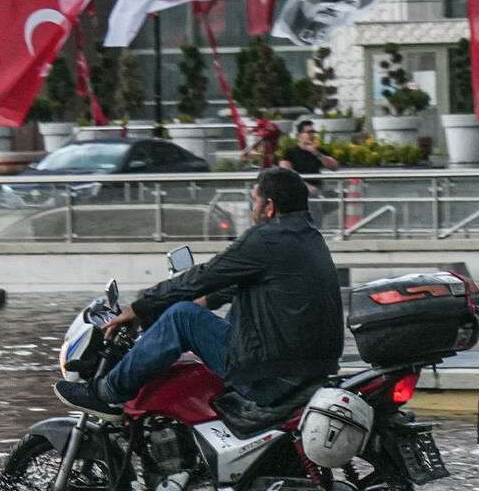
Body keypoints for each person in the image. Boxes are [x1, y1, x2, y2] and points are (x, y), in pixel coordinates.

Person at [54, 167, 344, 419]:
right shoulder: (308, 237)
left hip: (272, 378)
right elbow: (242, 281)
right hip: (309, 370)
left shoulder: (266, 237)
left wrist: (141, 307)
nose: (252, 209)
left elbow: (204, 275)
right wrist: (205, 301)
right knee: (215, 311)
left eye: (254, 201)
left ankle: (107, 391)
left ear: (270, 206)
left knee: (181, 317)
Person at [280, 119, 339, 227]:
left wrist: (316, 153)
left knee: (334, 203)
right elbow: (286, 172)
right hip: (299, 190)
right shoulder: (291, 152)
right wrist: (305, 186)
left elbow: (334, 166)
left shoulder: (318, 151)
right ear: (299, 135)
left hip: (318, 188)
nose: (312, 135)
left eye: (313, 132)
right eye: (308, 132)